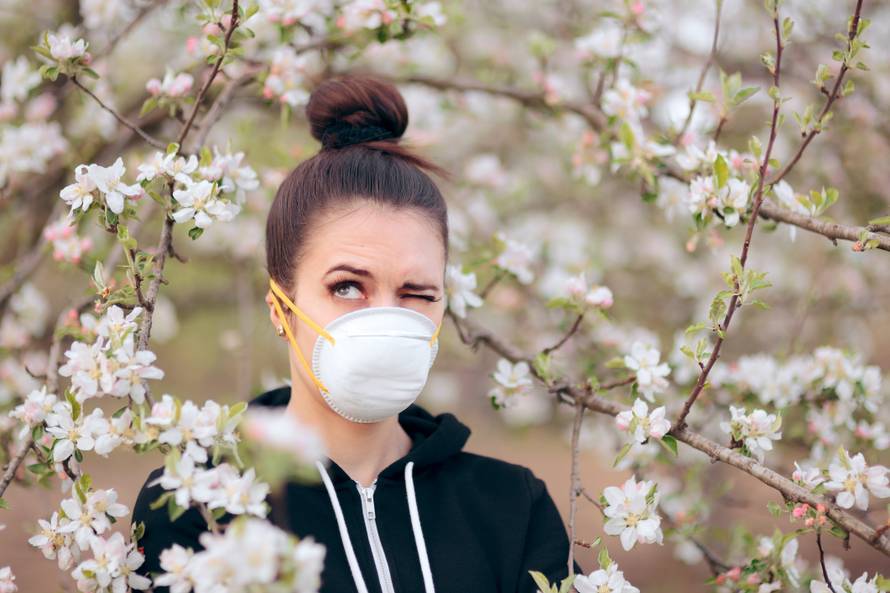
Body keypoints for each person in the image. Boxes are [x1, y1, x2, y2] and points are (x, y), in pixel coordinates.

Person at [131, 73, 581, 593]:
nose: (386, 317)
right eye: (347, 287)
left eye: (417, 294)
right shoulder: (200, 501)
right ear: (281, 305)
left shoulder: (511, 505)